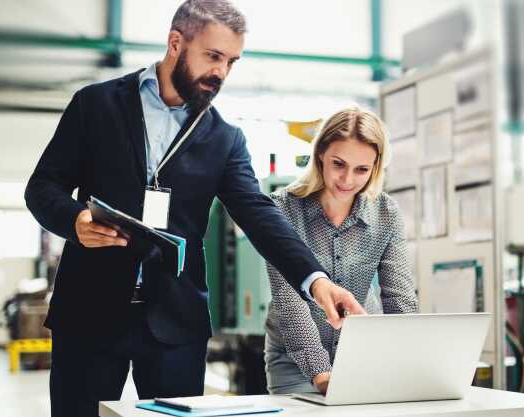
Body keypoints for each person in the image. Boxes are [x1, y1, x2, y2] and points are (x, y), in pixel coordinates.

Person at [23, 1, 363, 415]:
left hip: (175, 321)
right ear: (175, 43)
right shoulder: (96, 106)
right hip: (89, 311)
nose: (221, 72)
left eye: (231, 62)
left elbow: (259, 214)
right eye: (213, 56)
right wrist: (74, 220)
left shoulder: (224, 138)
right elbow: (42, 187)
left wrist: (315, 280)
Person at [263, 107, 419, 394]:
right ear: (320, 153)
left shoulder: (386, 213)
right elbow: (290, 303)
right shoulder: (282, 209)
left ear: (376, 167)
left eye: (361, 169)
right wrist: (322, 377)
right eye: (339, 164)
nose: (347, 179)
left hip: (364, 356)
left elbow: (400, 298)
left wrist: (408, 365)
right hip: (295, 361)